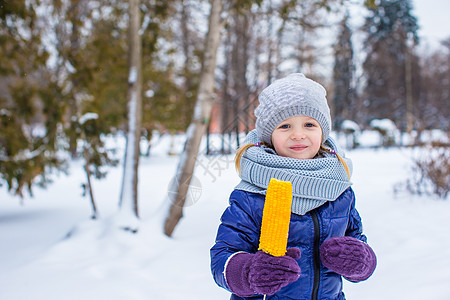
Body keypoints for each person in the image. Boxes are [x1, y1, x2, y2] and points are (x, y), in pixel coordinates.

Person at [210, 73, 376, 299]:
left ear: (322, 131)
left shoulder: (339, 190)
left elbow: (358, 243)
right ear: (269, 136)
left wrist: (360, 261)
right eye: (285, 126)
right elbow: (222, 258)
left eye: (309, 124)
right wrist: (250, 272)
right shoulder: (251, 194)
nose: (298, 135)